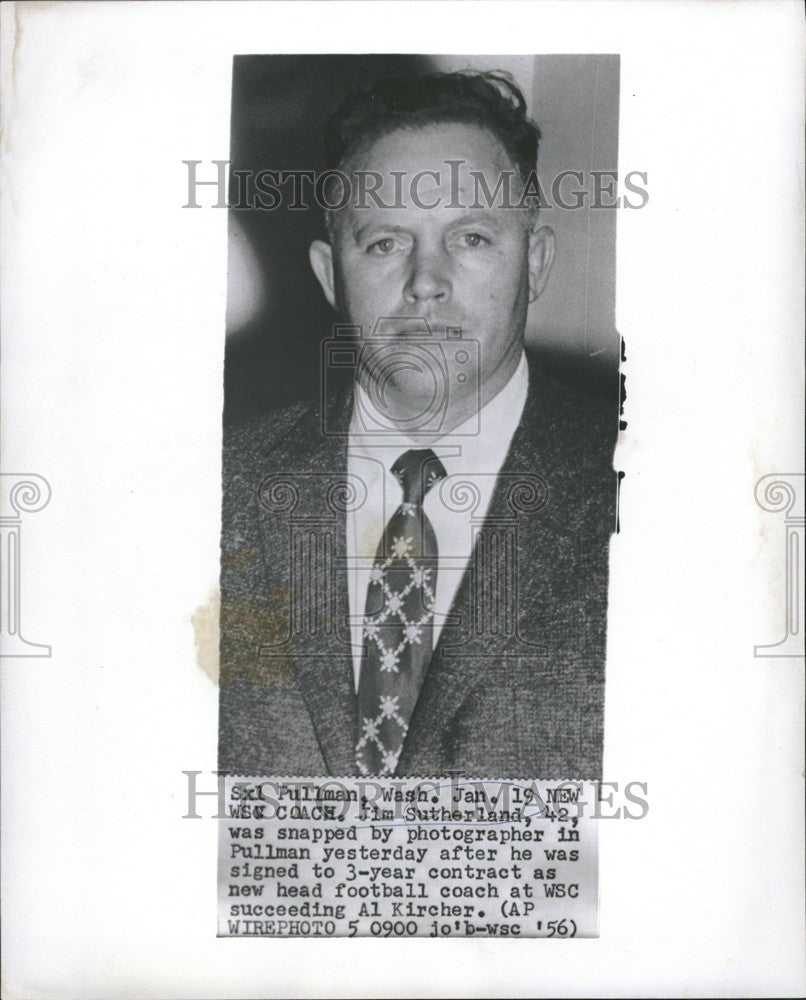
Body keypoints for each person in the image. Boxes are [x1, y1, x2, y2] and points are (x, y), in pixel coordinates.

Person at [218, 71, 617, 779]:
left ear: (537, 263)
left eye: (469, 237)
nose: (425, 280)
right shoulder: (216, 485)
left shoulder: (651, 484)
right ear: (328, 274)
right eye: (384, 243)